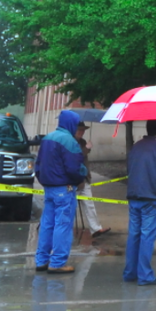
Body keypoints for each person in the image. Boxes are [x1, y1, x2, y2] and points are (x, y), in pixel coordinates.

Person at [34, 110, 88, 274]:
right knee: (62, 226)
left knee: (47, 225)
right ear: (71, 124)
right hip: (65, 189)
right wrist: (82, 175)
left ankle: (42, 260)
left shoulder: (47, 138)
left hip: (49, 188)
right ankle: (57, 262)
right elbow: (74, 168)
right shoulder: (69, 141)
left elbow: (38, 165)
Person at [123, 119, 156, 286]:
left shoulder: (136, 146)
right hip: (152, 198)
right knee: (147, 236)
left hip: (134, 196)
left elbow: (129, 169)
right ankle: (145, 275)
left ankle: (130, 272)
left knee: (134, 235)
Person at [74, 122, 109, 239]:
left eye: (83, 130)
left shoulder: (82, 141)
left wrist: (86, 148)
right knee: (69, 205)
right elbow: (76, 156)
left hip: (84, 178)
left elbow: (83, 157)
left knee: (89, 204)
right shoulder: (71, 142)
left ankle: (95, 229)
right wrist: (86, 149)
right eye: (80, 130)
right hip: (74, 179)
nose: (82, 132)